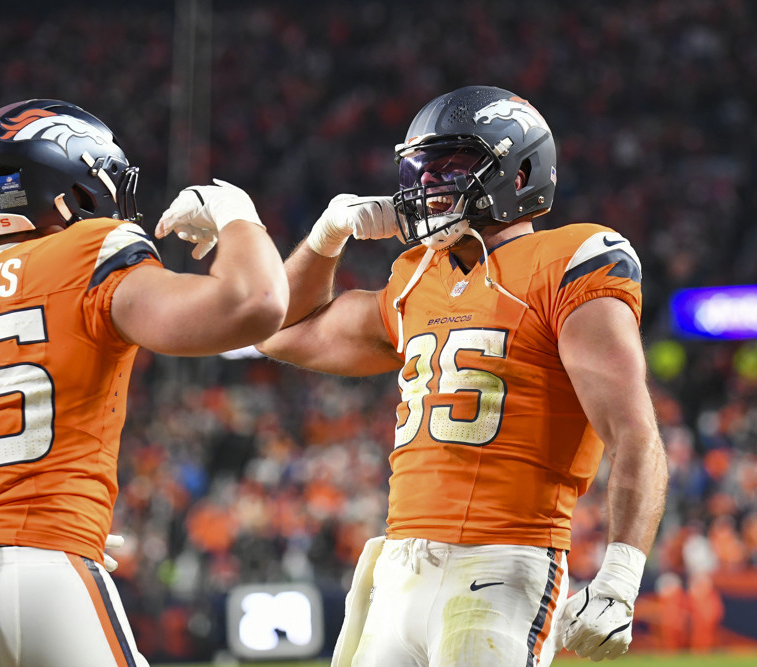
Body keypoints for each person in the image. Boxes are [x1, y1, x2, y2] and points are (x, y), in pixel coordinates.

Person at [0, 98, 288, 666]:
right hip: (39, 569)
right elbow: (255, 303)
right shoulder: (87, 253)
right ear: (75, 188)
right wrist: (238, 216)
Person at [255, 85, 669, 665]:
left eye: (450, 166)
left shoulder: (571, 261)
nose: (427, 184)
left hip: (502, 565)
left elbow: (634, 432)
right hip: (398, 567)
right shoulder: (413, 279)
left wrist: (621, 576)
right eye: (421, 169)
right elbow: (274, 328)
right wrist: (328, 237)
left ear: (520, 173)